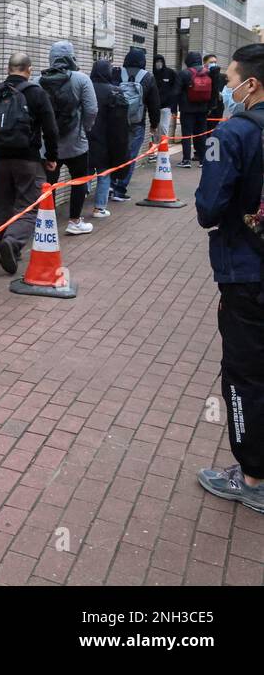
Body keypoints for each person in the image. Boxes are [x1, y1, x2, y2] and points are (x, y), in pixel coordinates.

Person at [192, 43, 264, 513]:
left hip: (246, 268)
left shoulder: (233, 133)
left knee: (245, 372)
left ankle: (253, 477)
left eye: (230, 76)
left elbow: (209, 208)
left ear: (250, 84)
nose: (226, 85)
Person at [0, 53, 58, 274]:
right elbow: (50, 128)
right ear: (29, 70)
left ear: (8, 69)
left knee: (3, 203)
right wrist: (52, 156)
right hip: (27, 159)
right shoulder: (36, 93)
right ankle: (12, 243)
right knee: (30, 206)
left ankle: (6, 243)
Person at [39, 40, 97, 236]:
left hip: (47, 146)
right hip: (76, 144)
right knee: (79, 182)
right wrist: (85, 129)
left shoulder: (39, 81)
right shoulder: (81, 79)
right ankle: (74, 221)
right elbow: (91, 109)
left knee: (49, 185)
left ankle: (48, 224)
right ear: (72, 57)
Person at [110, 48, 160, 200]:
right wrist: (154, 123)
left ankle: (110, 184)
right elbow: (154, 103)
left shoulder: (117, 73)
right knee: (130, 156)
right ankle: (120, 189)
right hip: (137, 122)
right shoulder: (148, 77)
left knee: (115, 152)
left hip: (117, 121)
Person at [86, 58, 130, 219]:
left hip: (86, 137)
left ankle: (82, 193)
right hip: (106, 139)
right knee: (104, 173)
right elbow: (120, 121)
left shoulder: (86, 88)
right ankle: (99, 208)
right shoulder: (114, 91)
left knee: (86, 171)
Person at [177, 51, 213, 168]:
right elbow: (213, 91)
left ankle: (186, 160)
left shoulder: (184, 73)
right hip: (203, 109)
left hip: (187, 109)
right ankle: (202, 160)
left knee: (186, 135)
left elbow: (176, 91)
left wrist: (173, 106)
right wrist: (211, 107)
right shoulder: (208, 72)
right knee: (201, 134)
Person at [153, 54, 179, 149]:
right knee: (154, 128)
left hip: (166, 106)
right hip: (153, 107)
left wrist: (174, 108)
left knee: (163, 128)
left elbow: (176, 90)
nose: (159, 64)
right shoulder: (151, 74)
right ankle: (154, 149)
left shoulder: (170, 73)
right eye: (157, 61)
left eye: (160, 61)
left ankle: (163, 148)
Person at [205, 53, 227, 125]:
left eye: (215, 62)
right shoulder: (203, 76)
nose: (214, 64)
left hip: (219, 106)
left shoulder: (222, 76)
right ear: (205, 63)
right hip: (206, 106)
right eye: (211, 62)